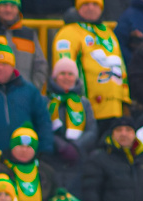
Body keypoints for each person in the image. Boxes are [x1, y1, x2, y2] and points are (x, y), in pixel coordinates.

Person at [54, 0, 130, 129]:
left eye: (95, 4)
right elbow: (64, 68)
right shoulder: (68, 33)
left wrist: (125, 99)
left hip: (114, 108)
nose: (91, 8)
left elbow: (120, 66)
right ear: (78, 8)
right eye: (86, 4)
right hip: (85, 109)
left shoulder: (108, 32)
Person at [44, 57, 99, 194]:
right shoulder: (45, 101)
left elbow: (92, 130)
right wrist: (60, 145)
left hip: (78, 161)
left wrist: (76, 147)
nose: (66, 77)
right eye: (62, 73)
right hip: (51, 159)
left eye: (70, 74)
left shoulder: (84, 103)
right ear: (55, 77)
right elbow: (41, 127)